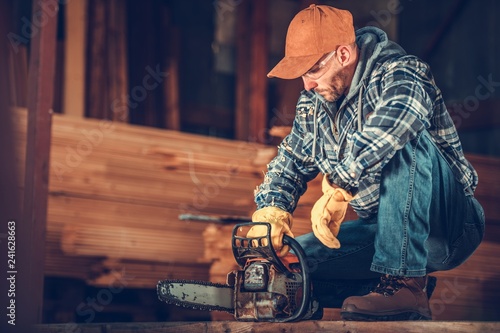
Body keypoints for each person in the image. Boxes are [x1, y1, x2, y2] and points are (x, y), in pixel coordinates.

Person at [247, 4, 485, 321]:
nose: (307, 84)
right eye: (303, 74)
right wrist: (271, 210)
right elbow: (291, 158)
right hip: (385, 231)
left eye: (313, 70)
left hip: (450, 225)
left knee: (402, 137)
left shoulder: (401, 72)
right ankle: (310, 297)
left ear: (344, 55)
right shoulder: (315, 103)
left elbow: (399, 119)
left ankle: (405, 283)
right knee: (296, 262)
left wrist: (341, 182)